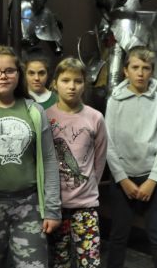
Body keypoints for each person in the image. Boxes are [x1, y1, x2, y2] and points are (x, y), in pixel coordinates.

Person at [0, 45, 61, 267]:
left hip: (29, 206)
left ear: (19, 74)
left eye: (9, 70)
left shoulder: (34, 111)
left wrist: (52, 209)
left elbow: (49, 160)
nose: (3, 76)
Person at [104, 46, 157, 268]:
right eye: (135, 67)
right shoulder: (114, 101)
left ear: (152, 71)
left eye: (146, 68)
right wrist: (122, 179)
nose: (140, 73)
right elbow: (108, 143)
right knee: (118, 236)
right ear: (126, 70)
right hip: (122, 180)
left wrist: (153, 180)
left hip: (152, 179)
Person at [46, 57, 107, 268]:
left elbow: (100, 158)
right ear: (55, 83)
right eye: (65, 80)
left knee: (89, 261)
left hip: (85, 204)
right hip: (55, 206)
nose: (71, 86)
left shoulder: (95, 117)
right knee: (58, 260)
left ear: (84, 84)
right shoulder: (45, 117)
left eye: (78, 81)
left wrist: (90, 186)